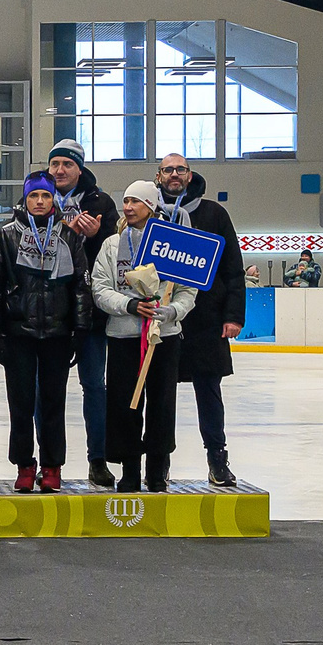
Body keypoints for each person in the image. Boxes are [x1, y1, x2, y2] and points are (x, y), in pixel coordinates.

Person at [0, 172, 83, 492]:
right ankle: (24, 465)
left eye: (46, 196)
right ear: (24, 201)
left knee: (54, 403)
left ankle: (52, 466)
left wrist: (79, 329)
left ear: (55, 200)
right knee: (21, 403)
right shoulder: (7, 236)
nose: (40, 202)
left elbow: (81, 287)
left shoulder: (69, 236)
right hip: (18, 333)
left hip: (57, 333)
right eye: (34, 197)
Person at [150, 157, 245, 487]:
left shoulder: (214, 214)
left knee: (209, 392)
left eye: (180, 170)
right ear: (158, 176)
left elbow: (233, 269)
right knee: (161, 396)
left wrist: (233, 315)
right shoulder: (150, 213)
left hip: (207, 320)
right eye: (168, 170)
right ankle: (158, 460)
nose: (174, 175)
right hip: (162, 319)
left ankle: (217, 458)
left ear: (189, 176)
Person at [92, 182, 191, 493]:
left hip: (164, 338)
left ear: (151, 205)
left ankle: (157, 469)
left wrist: (171, 311)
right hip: (123, 337)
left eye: (135, 201)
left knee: (162, 402)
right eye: (126, 200)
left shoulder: (173, 243)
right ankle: (130, 468)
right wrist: (130, 305)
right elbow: (100, 289)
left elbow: (189, 291)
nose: (128, 207)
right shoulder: (112, 244)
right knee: (125, 403)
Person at [42, 141, 119, 486]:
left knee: (94, 386)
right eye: (55, 164)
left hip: (91, 312)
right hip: (49, 311)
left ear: (79, 169)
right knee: (47, 389)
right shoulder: (37, 195)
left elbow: (117, 250)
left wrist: (97, 234)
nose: (59, 170)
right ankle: (48, 462)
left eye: (67, 165)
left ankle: (98, 459)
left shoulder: (100, 202)